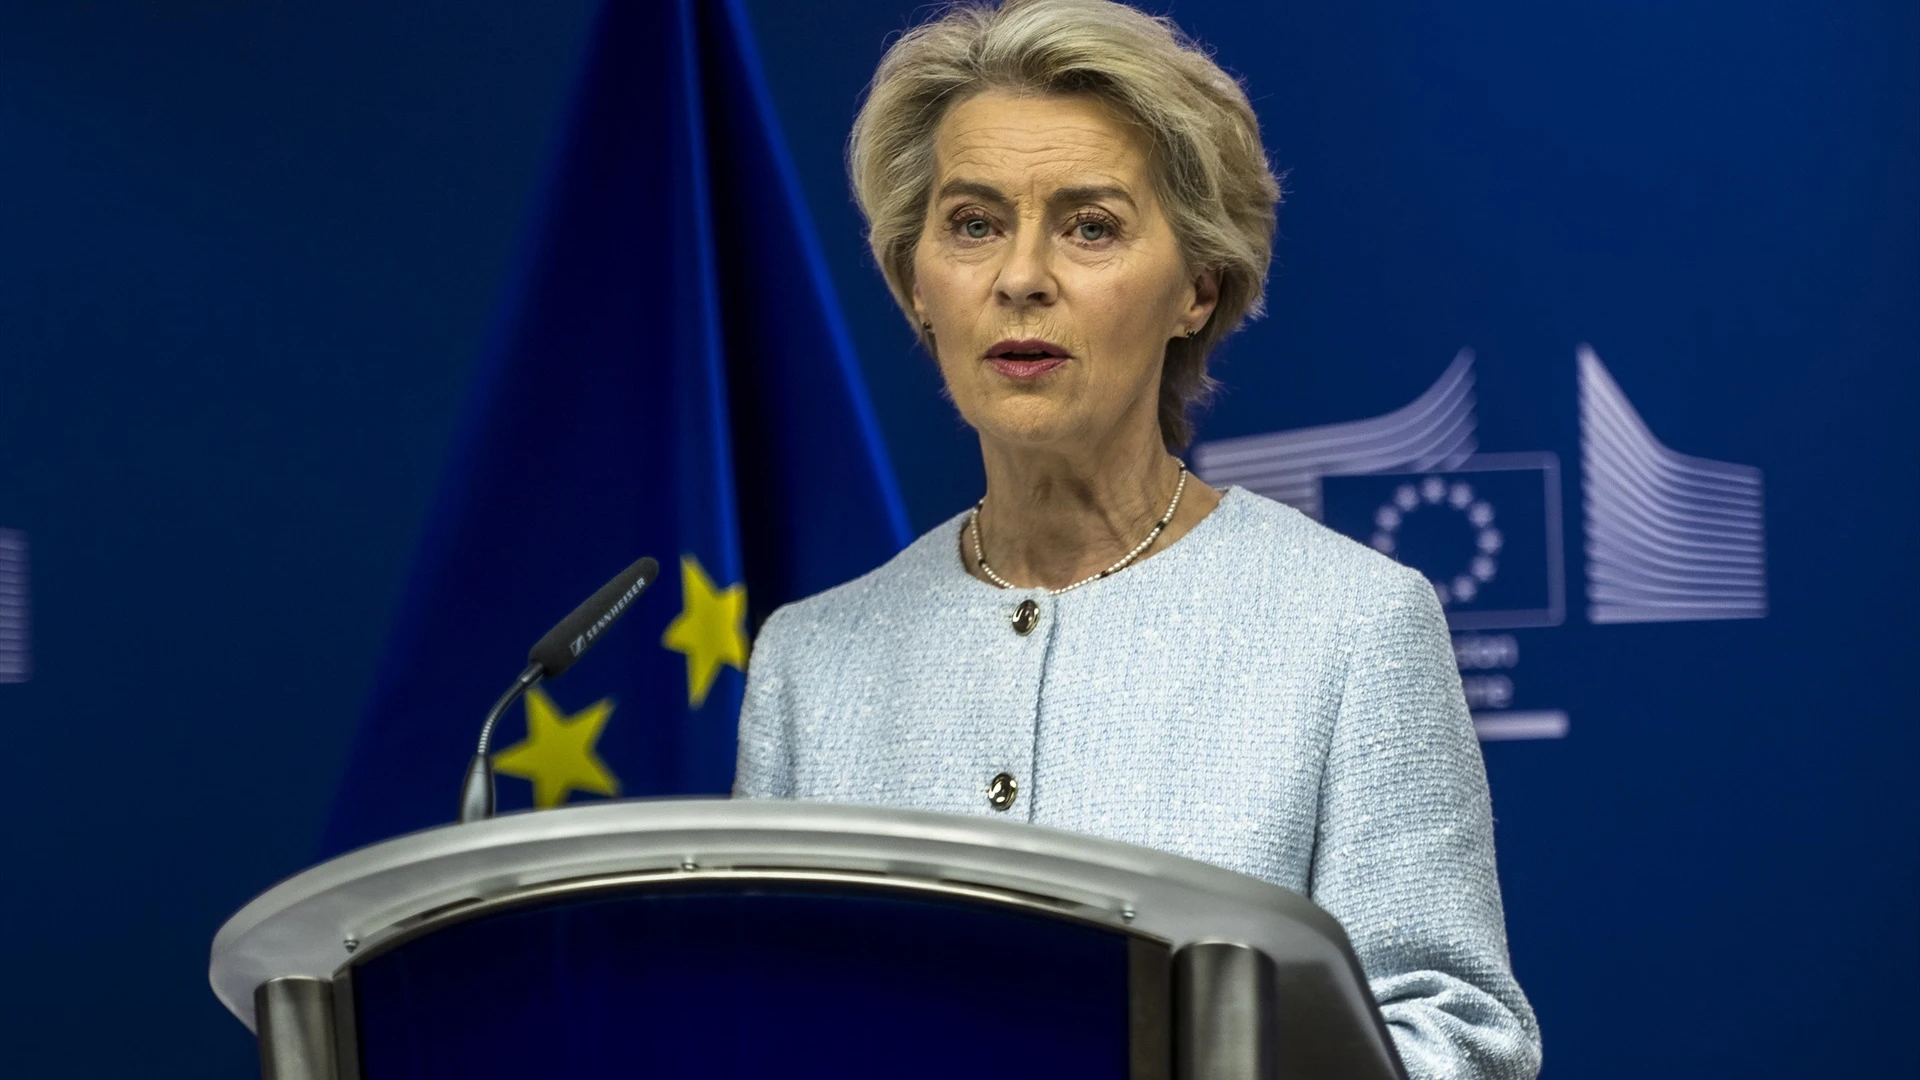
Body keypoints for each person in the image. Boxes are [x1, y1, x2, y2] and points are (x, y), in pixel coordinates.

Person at [733, 1, 1540, 1076]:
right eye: (972, 224)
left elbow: (1456, 1038)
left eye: (1090, 226)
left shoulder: (1349, 626)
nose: (1021, 277)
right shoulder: (810, 665)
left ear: (1197, 288)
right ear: (916, 284)